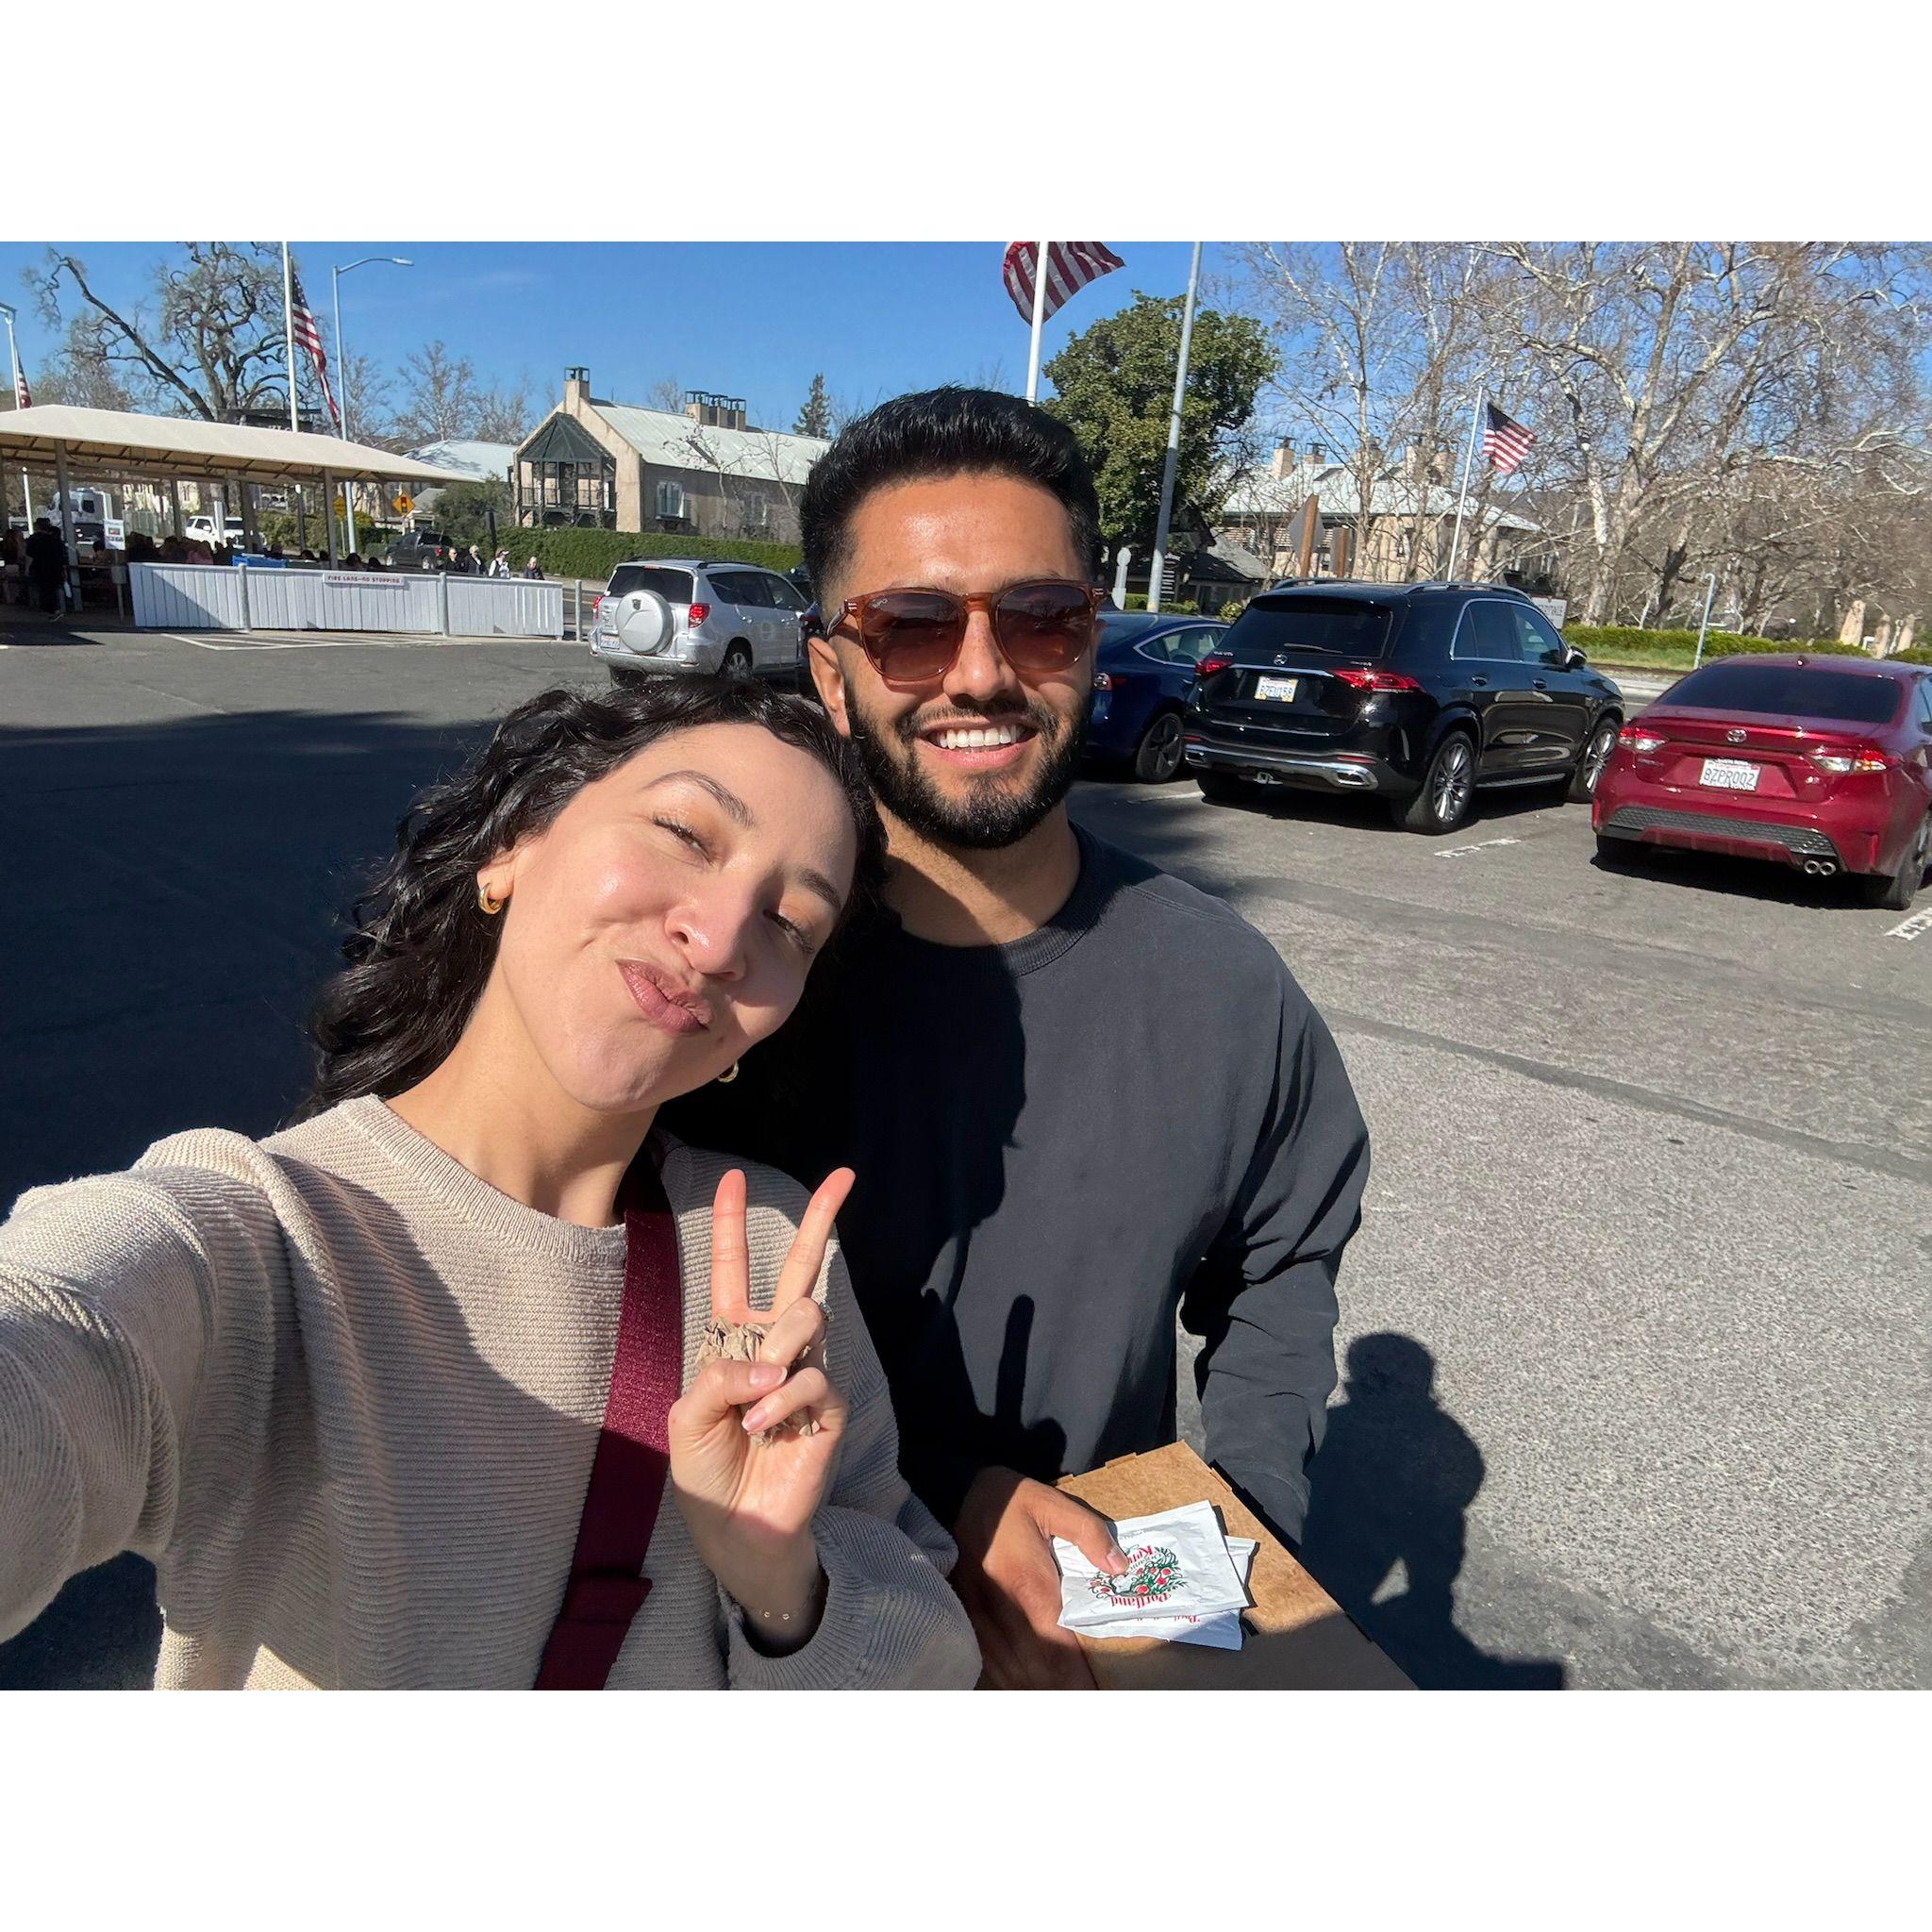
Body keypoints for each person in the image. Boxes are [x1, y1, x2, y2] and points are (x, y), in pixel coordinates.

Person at [0, 677, 978, 1690]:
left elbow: (928, 1670)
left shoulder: (771, 1250)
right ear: (513, 843)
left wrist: (781, 1579)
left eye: (790, 922)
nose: (724, 938)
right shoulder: (263, 1242)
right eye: (686, 833)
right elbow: (59, 1338)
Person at [670, 389, 1371, 1689]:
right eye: (911, 627)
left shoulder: (1223, 986)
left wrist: (1240, 1540)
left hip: (1103, 1631)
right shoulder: (733, 989)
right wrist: (944, 1496)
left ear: (1092, 640)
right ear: (829, 674)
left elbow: (1280, 1266)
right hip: (795, 1628)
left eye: (1039, 616)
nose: (981, 673)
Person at [23, 515, 66, 617]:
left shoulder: (34, 539)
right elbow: (61, 555)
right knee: (53, 588)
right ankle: (56, 608)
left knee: (42, 588)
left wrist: (27, 569)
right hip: (54, 567)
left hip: (39, 567)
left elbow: (30, 556)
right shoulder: (55, 539)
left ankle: (47, 608)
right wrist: (63, 569)